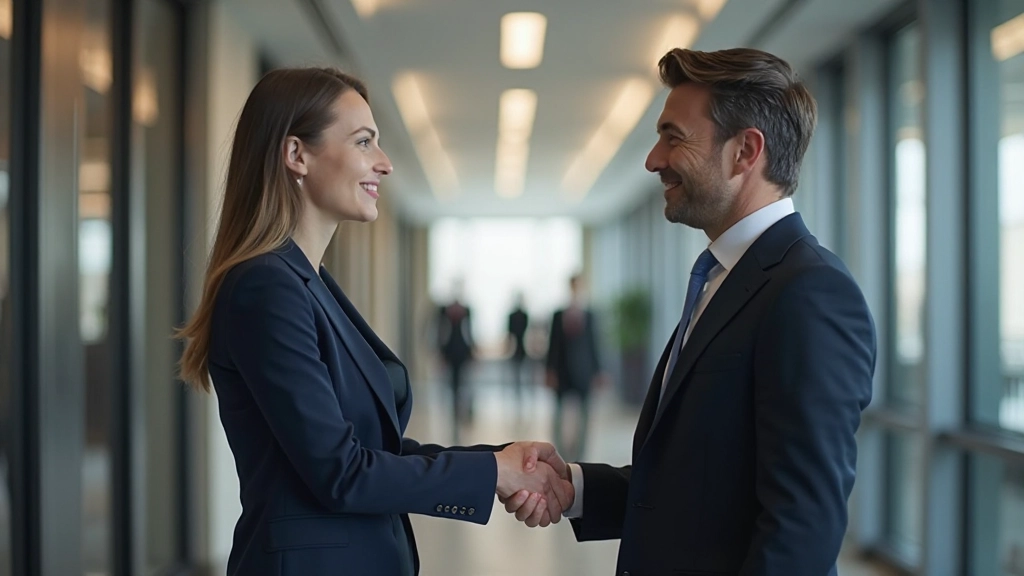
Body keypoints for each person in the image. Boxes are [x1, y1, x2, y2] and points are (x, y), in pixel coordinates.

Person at [174, 67, 572, 576]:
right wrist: (492, 471)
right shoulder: (266, 287)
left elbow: (369, 448)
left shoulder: (308, 282)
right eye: (365, 142)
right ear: (297, 154)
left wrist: (500, 460)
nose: (384, 164)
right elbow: (341, 472)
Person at [505, 47, 876, 575]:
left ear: (745, 151)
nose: (653, 159)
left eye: (673, 137)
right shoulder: (725, 278)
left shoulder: (809, 292)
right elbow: (700, 484)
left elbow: (803, 524)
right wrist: (578, 488)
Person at [545, 274, 604, 462]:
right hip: (562, 371)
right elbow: (552, 345)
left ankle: (580, 454)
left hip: (584, 372)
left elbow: (594, 344)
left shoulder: (590, 315)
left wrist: (598, 371)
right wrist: (549, 369)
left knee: (585, 416)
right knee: (559, 415)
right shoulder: (558, 315)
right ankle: (559, 453)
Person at [436, 279, 475, 436]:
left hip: (463, 353)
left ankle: (463, 413)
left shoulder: (467, 310)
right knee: (452, 386)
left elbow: (469, 332)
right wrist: (440, 354)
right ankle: (454, 414)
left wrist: (473, 353)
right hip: (449, 353)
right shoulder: (443, 310)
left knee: (463, 385)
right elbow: (440, 332)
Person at [506, 291, 530, 410]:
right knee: (515, 376)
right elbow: (509, 334)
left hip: (523, 349)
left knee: (524, 377)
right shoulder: (512, 316)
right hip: (514, 349)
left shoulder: (525, 315)